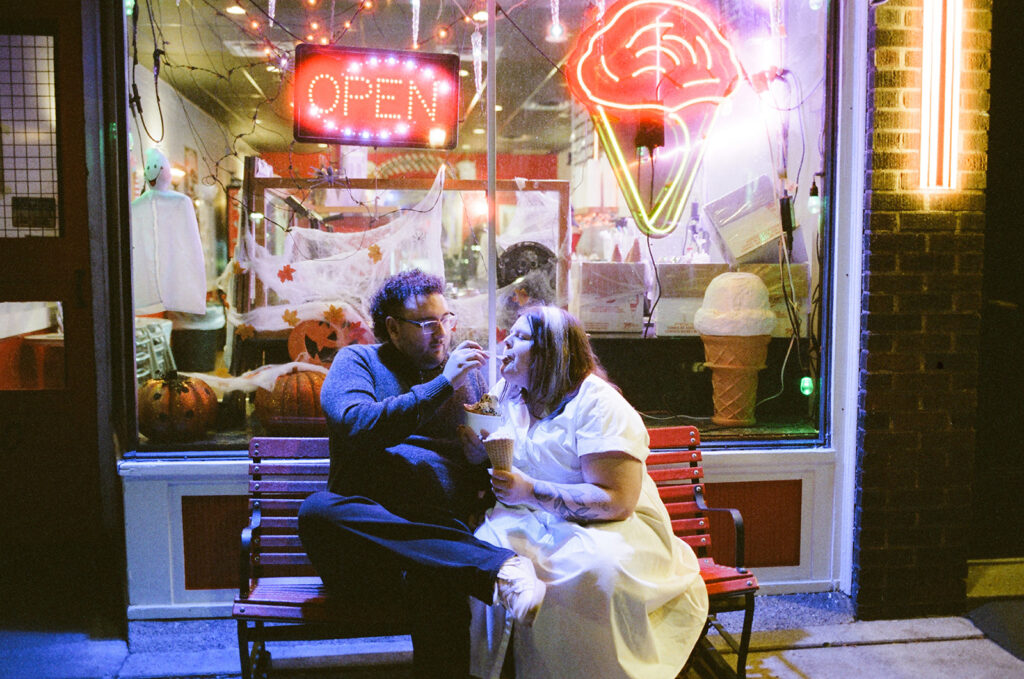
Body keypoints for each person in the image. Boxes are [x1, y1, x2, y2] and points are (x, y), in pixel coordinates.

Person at [298, 269, 546, 679]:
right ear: (393, 328)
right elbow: (356, 424)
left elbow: (486, 460)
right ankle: (497, 568)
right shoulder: (357, 362)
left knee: (436, 572)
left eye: (446, 319)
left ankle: (481, 565)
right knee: (318, 511)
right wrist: (442, 385)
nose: (442, 333)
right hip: (367, 551)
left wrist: (479, 459)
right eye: (428, 324)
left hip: (438, 535)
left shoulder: (470, 377)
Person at [467, 305, 710, 679]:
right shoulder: (506, 392)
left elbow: (617, 501)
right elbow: (476, 443)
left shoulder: (599, 403)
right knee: (488, 551)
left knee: (592, 572)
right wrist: (470, 430)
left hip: (607, 524)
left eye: (519, 337)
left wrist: (530, 491)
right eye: (508, 335)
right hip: (529, 517)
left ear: (551, 350)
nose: (506, 342)